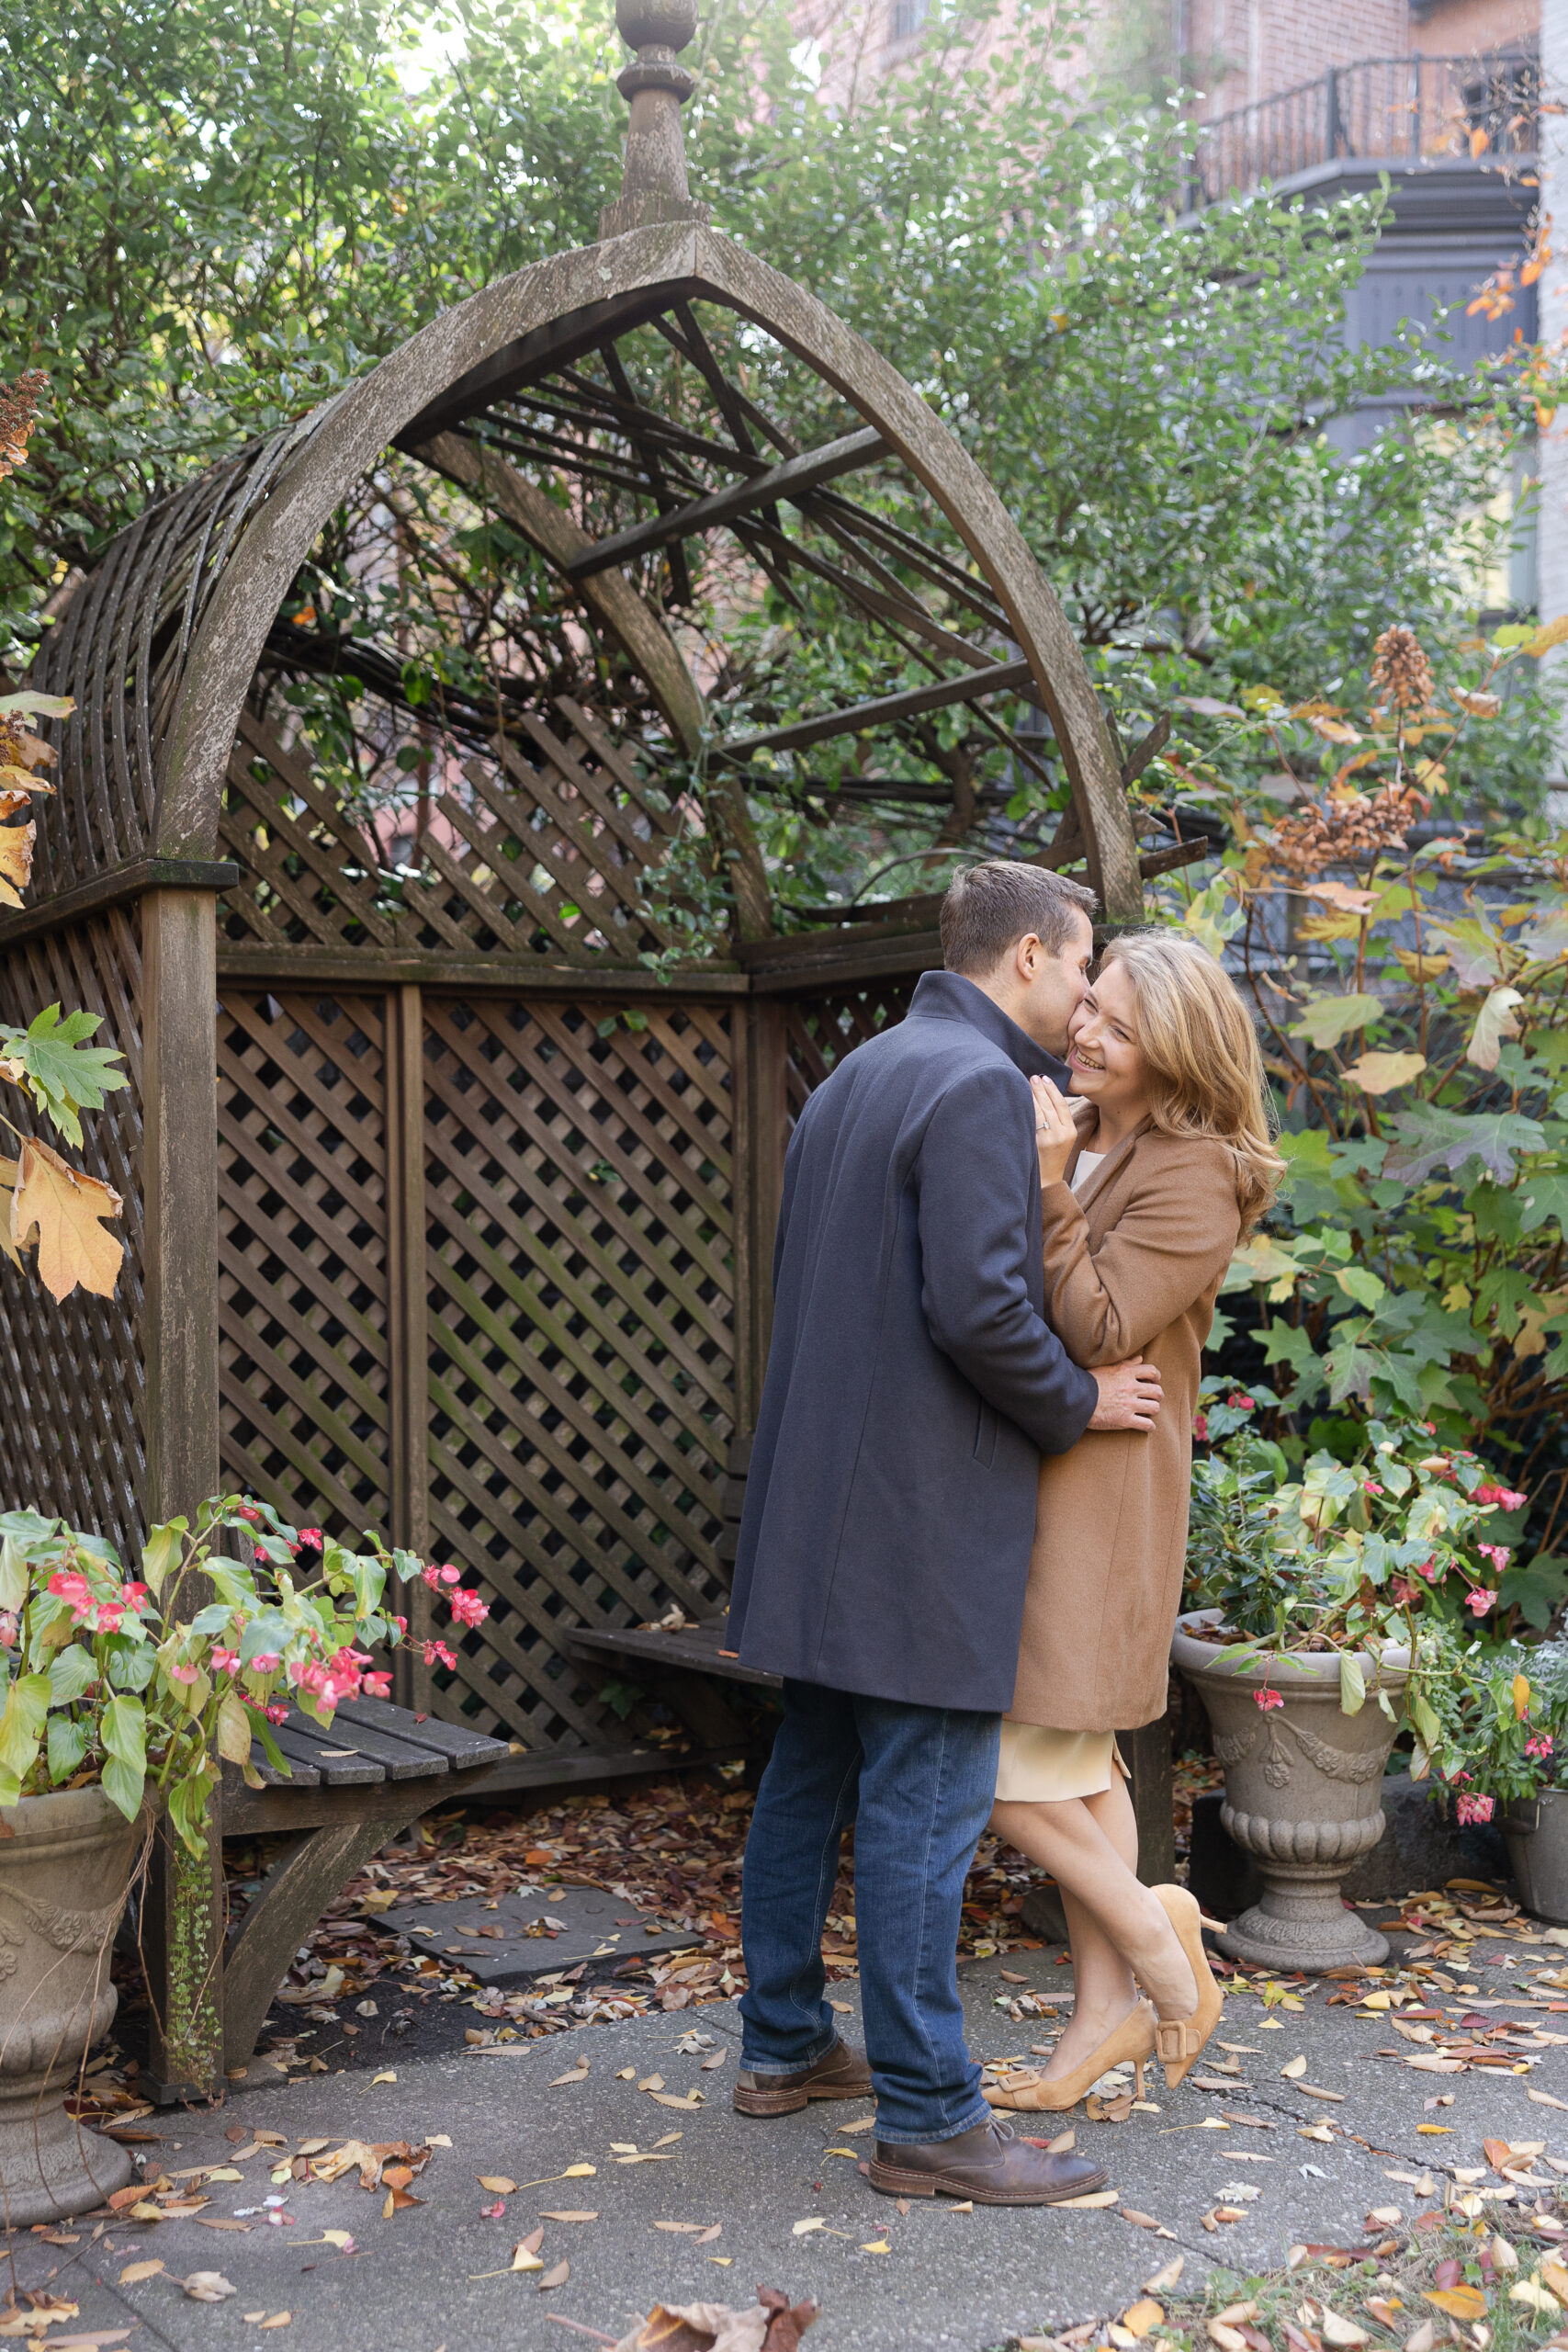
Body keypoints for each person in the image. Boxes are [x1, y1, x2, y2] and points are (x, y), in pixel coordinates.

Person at [724, 861, 1164, 2207]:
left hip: (818, 1509)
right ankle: (929, 2118)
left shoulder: (858, 1073)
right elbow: (979, 1309)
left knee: (810, 1783)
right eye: (1083, 970)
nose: (1087, 1000)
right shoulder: (979, 1087)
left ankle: (785, 2043)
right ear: (1028, 955)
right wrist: (1078, 1399)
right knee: (925, 1806)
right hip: (919, 1521)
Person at [983, 931, 1284, 2116]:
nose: (1083, 1028)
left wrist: (1050, 1185)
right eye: (1086, 1005)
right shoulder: (1096, 1137)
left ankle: (1162, 1939)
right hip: (1050, 1479)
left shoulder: (1196, 1171)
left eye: (1114, 1019)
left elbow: (1103, 1325)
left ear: (1176, 1046)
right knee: (1077, 1755)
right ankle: (1103, 2018)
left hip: (1106, 1506)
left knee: (996, 1763)